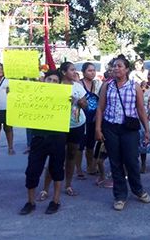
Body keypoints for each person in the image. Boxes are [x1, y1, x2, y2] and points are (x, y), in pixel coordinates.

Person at [95, 55, 150, 211]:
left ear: (127, 69)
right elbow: (100, 108)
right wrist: (98, 129)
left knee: (132, 161)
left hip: (129, 129)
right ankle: (120, 195)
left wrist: (147, 129)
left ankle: (138, 190)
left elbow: (141, 109)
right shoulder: (107, 86)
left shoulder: (135, 87)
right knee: (115, 162)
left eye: (119, 66)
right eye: (114, 66)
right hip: (110, 128)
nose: (116, 68)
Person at [19, 71, 71, 216]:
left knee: (57, 170)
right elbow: (21, 103)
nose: (52, 83)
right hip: (39, 138)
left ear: (59, 84)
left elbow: (81, 106)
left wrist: (75, 102)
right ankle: (30, 202)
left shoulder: (65, 97)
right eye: (50, 79)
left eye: (56, 81)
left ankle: (55, 201)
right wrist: (13, 94)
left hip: (57, 138)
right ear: (44, 80)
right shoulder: (35, 95)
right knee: (32, 170)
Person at [60, 62, 87, 197]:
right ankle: (49, 186)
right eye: (72, 70)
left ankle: (68, 184)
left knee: (71, 155)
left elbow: (85, 105)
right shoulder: (55, 86)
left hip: (76, 125)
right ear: (64, 72)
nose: (74, 72)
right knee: (56, 155)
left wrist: (80, 102)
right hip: (59, 126)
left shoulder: (78, 87)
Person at [79, 62, 102, 176]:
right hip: (81, 119)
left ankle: (90, 166)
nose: (92, 72)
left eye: (94, 70)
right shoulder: (78, 84)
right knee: (79, 146)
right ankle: (78, 169)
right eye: (89, 70)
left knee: (91, 144)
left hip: (94, 118)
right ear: (83, 72)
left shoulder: (98, 84)